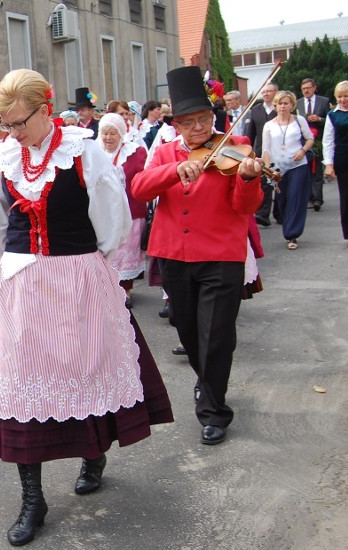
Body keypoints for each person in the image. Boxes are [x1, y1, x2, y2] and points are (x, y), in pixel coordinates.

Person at [0, 69, 173, 546]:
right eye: (5, 123)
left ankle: (93, 454)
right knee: (21, 385)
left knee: (84, 370)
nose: (12, 131)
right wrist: (24, 262)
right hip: (22, 285)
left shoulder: (84, 152)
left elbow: (112, 224)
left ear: (45, 108)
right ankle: (32, 499)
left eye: (19, 122)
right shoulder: (3, 158)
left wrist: (76, 264)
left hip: (78, 275)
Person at [132, 66, 264, 446]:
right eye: (188, 122)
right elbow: (140, 188)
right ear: (176, 125)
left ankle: (214, 410)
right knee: (186, 328)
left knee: (217, 334)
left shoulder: (236, 146)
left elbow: (245, 205)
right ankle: (206, 382)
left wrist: (250, 177)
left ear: (213, 116)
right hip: (174, 253)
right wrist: (175, 170)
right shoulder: (165, 152)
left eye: (203, 119)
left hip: (221, 255)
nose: (197, 128)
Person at [98, 113, 148, 307]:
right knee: (106, 249)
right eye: (105, 133)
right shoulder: (94, 152)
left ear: (121, 135)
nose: (108, 138)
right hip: (103, 213)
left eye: (113, 134)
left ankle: (125, 290)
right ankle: (107, 288)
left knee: (126, 248)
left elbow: (143, 179)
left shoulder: (135, 152)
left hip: (131, 211)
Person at [262, 90, 315, 250]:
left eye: (286, 103)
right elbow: (266, 149)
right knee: (282, 200)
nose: (282, 106)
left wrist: (303, 151)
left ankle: (292, 234)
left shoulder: (299, 120)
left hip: (298, 165)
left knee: (296, 198)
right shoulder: (269, 125)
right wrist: (268, 171)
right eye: (280, 103)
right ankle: (288, 227)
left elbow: (310, 138)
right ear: (275, 105)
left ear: (292, 105)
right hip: (278, 168)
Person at [245, 83, 279, 226]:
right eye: (263, 91)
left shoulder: (280, 109)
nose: (265, 94)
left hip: (278, 151)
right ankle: (263, 214)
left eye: (269, 91)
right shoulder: (255, 110)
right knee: (264, 182)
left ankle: (279, 212)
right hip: (261, 151)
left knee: (278, 181)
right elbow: (250, 133)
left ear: (276, 93)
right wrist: (247, 150)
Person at [299, 78, 332, 211]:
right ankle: (309, 198)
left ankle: (318, 199)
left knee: (317, 171)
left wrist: (319, 119)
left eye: (308, 88)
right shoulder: (298, 103)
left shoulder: (323, 101)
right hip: (303, 141)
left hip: (318, 140)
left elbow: (330, 120)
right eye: (303, 89)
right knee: (305, 171)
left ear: (314, 88)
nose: (306, 90)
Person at [323, 80, 348, 242]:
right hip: (343, 159)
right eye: (339, 96)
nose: (343, 99)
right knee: (346, 197)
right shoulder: (332, 115)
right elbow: (328, 141)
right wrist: (328, 164)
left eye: (346, 96)